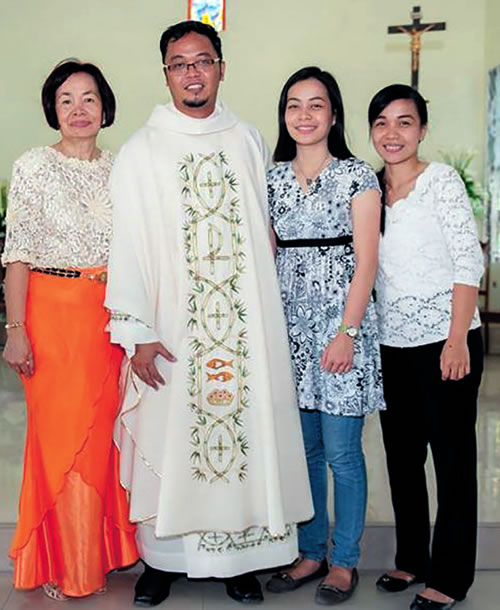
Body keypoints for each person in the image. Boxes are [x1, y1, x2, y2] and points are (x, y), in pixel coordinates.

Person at [105, 20, 313, 607]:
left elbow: (260, 234)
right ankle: (162, 562)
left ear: (222, 66)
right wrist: (136, 331)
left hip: (241, 329)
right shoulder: (143, 148)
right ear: (165, 73)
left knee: (241, 437)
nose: (191, 72)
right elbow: (128, 242)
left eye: (202, 60)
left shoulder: (246, 137)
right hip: (171, 328)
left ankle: (238, 560)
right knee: (170, 439)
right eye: (179, 63)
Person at [1, 60, 139, 601]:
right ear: (52, 110)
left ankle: (104, 550)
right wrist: (15, 328)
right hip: (51, 314)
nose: (78, 110)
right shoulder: (34, 166)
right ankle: (66, 562)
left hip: (109, 318)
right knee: (61, 441)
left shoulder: (123, 169)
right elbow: (17, 255)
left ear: (105, 106)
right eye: (66, 100)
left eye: (88, 98)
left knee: (103, 441)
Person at [264, 67, 385, 606]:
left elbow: (366, 263)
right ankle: (310, 550)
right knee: (306, 452)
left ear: (333, 114)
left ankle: (345, 560)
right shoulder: (270, 179)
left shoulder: (358, 175)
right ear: (284, 116)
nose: (305, 115)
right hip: (289, 328)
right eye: (294, 105)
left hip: (342, 328)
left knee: (342, 453)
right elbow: (265, 258)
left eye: (316, 105)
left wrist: (346, 332)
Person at [368, 84, 484, 610]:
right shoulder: (369, 190)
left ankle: (452, 575)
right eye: (383, 123)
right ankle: (412, 558)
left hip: (446, 341)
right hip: (393, 345)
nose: (393, 134)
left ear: (422, 129)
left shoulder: (441, 182)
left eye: (405, 122)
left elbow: (467, 262)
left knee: (453, 460)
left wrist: (457, 338)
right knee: (402, 458)